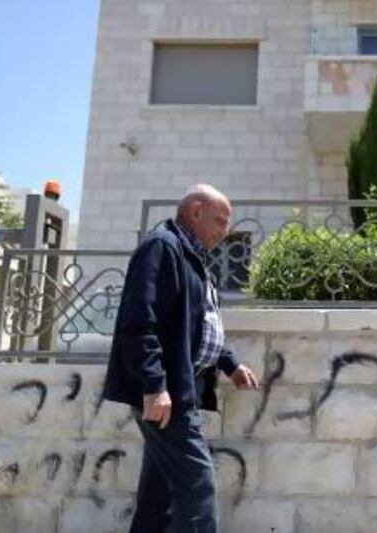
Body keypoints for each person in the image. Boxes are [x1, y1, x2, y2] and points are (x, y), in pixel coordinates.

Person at [103, 184, 259, 532]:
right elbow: (138, 321)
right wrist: (154, 384)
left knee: (158, 500)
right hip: (166, 394)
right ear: (196, 211)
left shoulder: (193, 258)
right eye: (220, 220)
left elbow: (199, 325)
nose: (226, 231)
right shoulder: (162, 248)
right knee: (197, 486)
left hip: (176, 393)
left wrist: (230, 365)